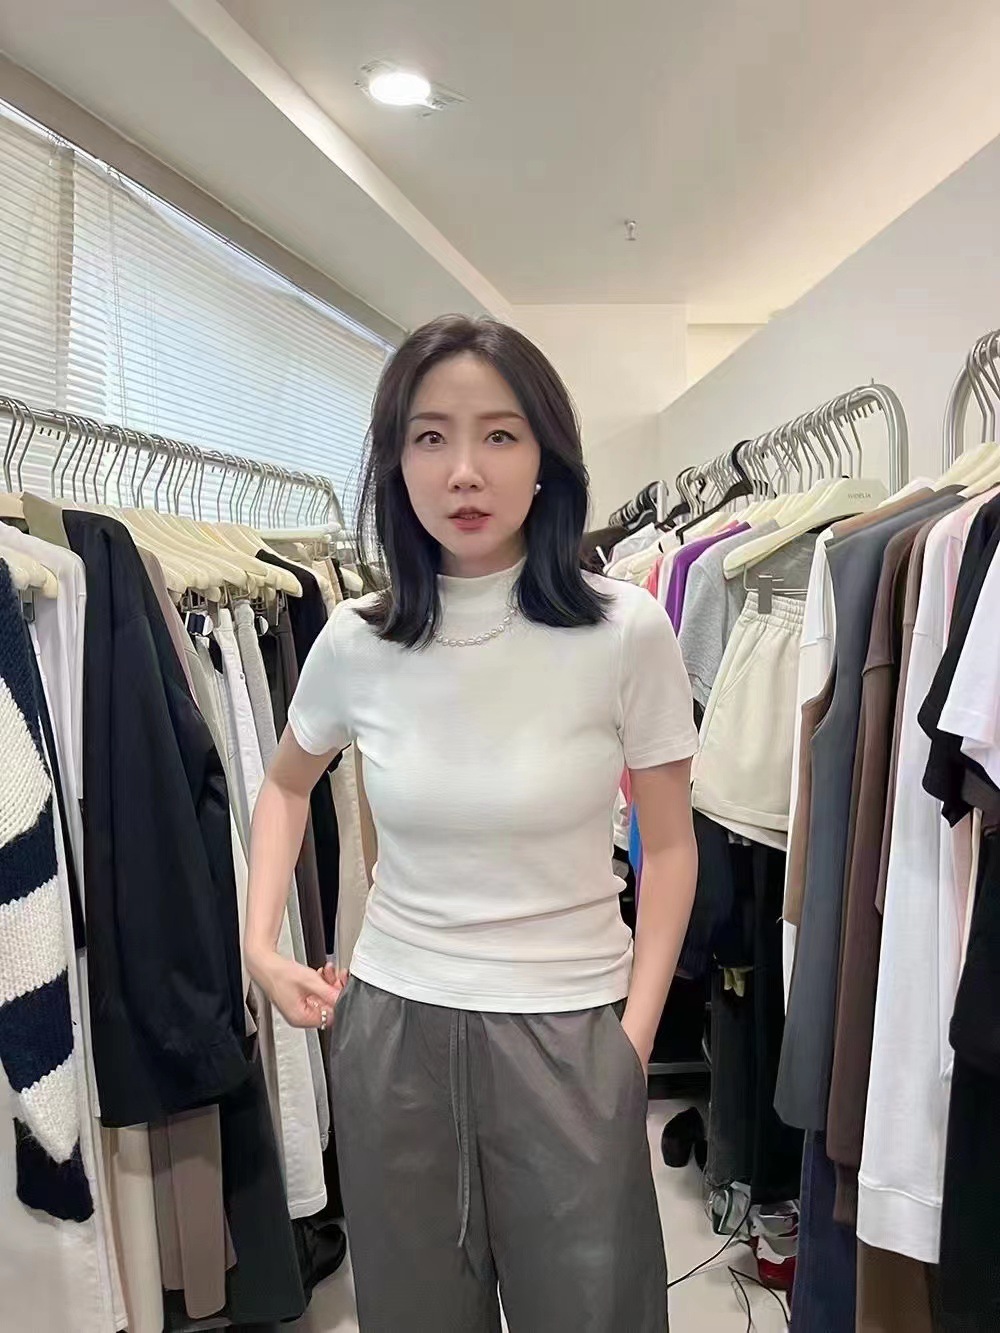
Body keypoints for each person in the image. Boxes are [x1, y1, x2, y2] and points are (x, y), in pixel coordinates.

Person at [245, 315, 699, 1331]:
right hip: (394, 1032)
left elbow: (670, 847)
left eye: (498, 434)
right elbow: (283, 785)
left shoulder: (625, 629)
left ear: (546, 457)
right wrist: (259, 944)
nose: (463, 470)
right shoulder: (355, 640)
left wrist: (630, 1042)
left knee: (592, 1312)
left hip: (570, 1030)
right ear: (395, 462)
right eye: (430, 436)